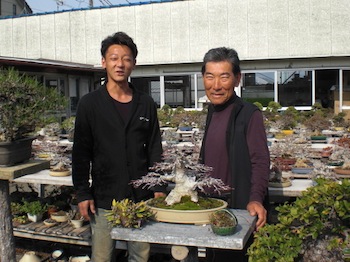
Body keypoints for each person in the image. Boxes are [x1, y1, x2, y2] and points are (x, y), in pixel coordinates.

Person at [72, 32, 163, 262]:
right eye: (114, 58)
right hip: (103, 198)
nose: (120, 64)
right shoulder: (90, 104)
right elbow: (81, 152)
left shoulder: (145, 103)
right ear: (104, 62)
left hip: (141, 198)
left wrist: (158, 185)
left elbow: (154, 148)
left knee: (140, 256)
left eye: (126, 58)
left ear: (133, 63)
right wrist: (82, 192)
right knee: (102, 256)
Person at [199, 47, 270, 262]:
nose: (216, 85)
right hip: (210, 206)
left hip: (236, 210)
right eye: (210, 77)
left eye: (224, 77)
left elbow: (260, 160)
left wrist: (256, 198)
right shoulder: (212, 112)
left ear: (237, 79)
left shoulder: (249, 114)